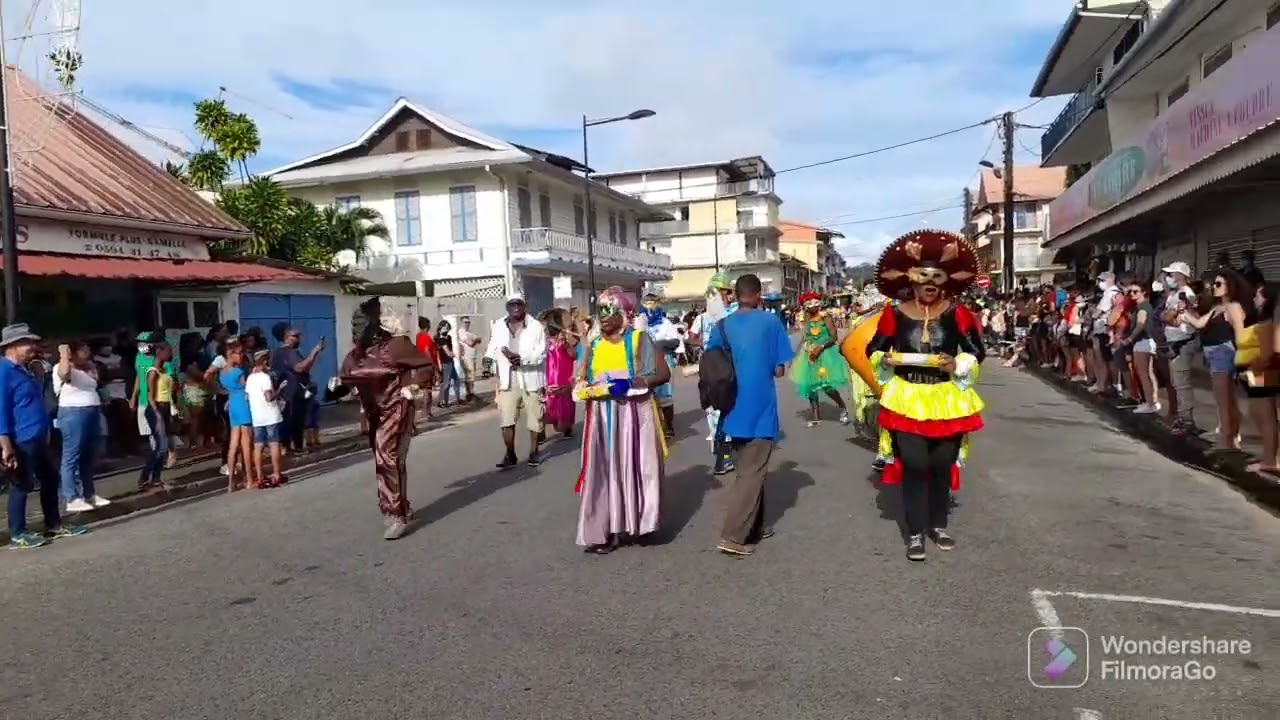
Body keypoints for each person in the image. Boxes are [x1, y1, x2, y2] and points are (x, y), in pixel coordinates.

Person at [865, 230, 986, 562]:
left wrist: (956, 363)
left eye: (937, 277)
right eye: (923, 276)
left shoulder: (957, 313)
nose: (930, 283)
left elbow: (977, 351)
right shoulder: (895, 313)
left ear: (945, 280)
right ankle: (916, 531)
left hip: (946, 398)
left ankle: (939, 524)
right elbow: (872, 349)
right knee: (916, 464)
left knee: (942, 464)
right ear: (912, 279)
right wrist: (885, 360)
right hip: (907, 396)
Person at [328, 297, 436, 540]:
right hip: (373, 415)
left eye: (361, 325)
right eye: (353, 326)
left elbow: (425, 365)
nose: (356, 331)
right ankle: (402, 506)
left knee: (386, 456)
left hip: (396, 407)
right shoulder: (354, 356)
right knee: (389, 460)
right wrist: (335, 388)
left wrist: (414, 386)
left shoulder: (395, 346)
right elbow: (346, 383)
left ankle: (395, 514)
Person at [573, 287, 671, 554]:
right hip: (602, 419)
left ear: (624, 313)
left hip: (634, 414)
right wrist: (583, 387)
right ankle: (610, 529)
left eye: (609, 310)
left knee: (637, 467)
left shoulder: (640, 340)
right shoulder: (591, 345)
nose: (603, 317)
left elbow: (662, 374)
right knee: (605, 470)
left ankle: (641, 522)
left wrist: (631, 383)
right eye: (600, 311)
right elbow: (581, 380)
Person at [704, 275, 794, 557]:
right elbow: (780, 369)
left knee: (748, 468)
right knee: (751, 472)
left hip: (731, 406)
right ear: (758, 295)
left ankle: (757, 525)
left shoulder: (723, 325)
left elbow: (711, 360)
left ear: (736, 294)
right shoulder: (770, 322)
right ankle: (733, 535)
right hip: (760, 407)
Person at [2, 324, 88, 549]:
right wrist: (5, 444)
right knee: (21, 485)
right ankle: (18, 533)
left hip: (38, 435)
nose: (32, 346)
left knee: (50, 478)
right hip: (21, 438)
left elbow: (36, 402)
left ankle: (53, 524)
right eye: (26, 342)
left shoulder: (27, 370)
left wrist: (47, 431)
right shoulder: (4, 372)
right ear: (11, 346)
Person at [485, 294, 547, 468]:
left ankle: (534, 452)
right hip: (508, 379)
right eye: (512, 304)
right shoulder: (499, 325)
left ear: (524, 306)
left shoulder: (535, 326)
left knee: (535, 418)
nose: (516, 307)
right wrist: (487, 360)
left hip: (530, 377)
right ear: (507, 307)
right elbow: (493, 345)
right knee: (507, 419)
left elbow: (541, 352)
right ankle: (510, 454)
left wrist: (522, 359)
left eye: (519, 304)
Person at [53, 341, 110, 512]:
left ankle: (89, 493)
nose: (87, 353)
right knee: (71, 455)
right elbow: (64, 374)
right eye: (83, 351)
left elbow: (94, 385)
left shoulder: (90, 367)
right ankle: (71, 497)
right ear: (74, 353)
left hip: (91, 410)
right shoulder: (62, 366)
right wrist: (64, 353)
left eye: (88, 350)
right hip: (73, 413)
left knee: (87, 455)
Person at [692, 272, 738, 475]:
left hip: (724, 366)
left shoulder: (734, 312)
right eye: (725, 292)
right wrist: (706, 344)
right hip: (716, 368)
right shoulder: (703, 318)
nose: (728, 297)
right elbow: (692, 337)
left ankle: (724, 456)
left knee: (722, 412)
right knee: (720, 411)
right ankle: (724, 456)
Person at [791, 291, 851, 427]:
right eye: (810, 304)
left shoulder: (825, 317)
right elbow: (805, 338)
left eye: (815, 303)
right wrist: (797, 355)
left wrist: (821, 347)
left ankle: (842, 407)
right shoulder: (806, 320)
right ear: (806, 306)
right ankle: (815, 416)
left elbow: (833, 337)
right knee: (811, 386)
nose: (813, 306)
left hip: (825, 354)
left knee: (827, 385)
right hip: (810, 354)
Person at [271, 325, 325, 454]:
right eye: (295, 336)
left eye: (299, 336)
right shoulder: (289, 353)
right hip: (293, 393)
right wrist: (315, 352)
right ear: (286, 338)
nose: (298, 339)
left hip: (286, 392)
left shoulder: (278, 353)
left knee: (287, 420)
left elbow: (304, 368)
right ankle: (297, 447)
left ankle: (287, 446)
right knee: (296, 420)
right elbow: (300, 368)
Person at [640, 292, 681, 439]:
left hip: (662, 363)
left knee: (665, 398)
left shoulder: (665, 323)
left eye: (652, 303)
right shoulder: (639, 324)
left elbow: (675, 341)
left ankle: (669, 426)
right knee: (646, 397)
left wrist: (659, 345)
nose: (649, 307)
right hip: (644, 366)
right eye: (646, 303)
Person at [246, 349, 287, 487]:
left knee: (258, 446)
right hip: (270, 415)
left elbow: (247, 397)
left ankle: (259, 477)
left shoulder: (250, 378)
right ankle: (276, 474)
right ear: (265, 362)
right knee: (274, 444)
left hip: (257, 416)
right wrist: (280, 389)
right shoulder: (265, 377)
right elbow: (269, 397)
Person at [220, 343, 257, 491]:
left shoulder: (222, 373)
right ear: (231, 354)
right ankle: (249, 479)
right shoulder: (237, 372)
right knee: (246, 444)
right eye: (240, 353)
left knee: (233, 445)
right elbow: (247, 387)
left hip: (233, 404)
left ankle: (231, 483)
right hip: (242, 403)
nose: (242, 356)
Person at [540, 308, 577, 439]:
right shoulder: (543, 341)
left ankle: (568, 428)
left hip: (564, 378)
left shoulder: (566, 339)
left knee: (566, 406)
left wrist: (567, 342)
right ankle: (540, 431)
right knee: (547, 407)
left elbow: (574, 355)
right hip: (549, 378)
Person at [434, 320, 462, 407]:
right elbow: (448, 352)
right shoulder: (439, 340)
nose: (446, 329)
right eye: (444, 327)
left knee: (456, 380)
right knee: (446, 383)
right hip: (445, 363)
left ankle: (456, 399)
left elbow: (450, 350)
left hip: (450, 362)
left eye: (447, 327)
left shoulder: (448, 337)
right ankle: (441, 401)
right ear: (440, 328)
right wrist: (454, 354)